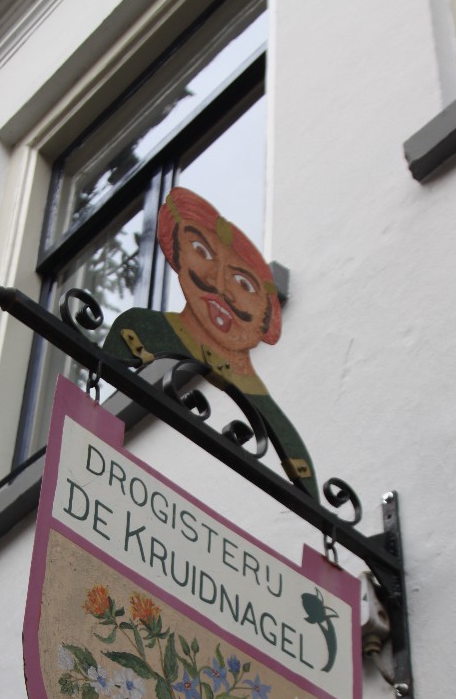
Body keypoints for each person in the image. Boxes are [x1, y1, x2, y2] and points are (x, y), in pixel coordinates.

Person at [103, 187, 319, 500]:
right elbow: (100, 370)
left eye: (243, 283)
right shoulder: (136, 330)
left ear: (266, 319)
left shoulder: (290, 445)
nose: (218, 284)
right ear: (178, 253)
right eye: (201, 250)